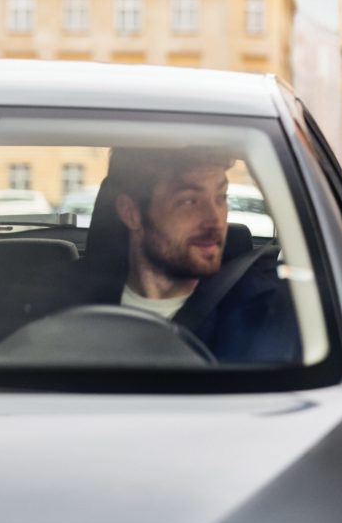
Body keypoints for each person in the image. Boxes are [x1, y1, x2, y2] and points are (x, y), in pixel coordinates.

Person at [105, 147, 300, 363]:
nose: (215, 220)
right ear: (130, 213)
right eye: (189, 201)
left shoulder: (267, 313)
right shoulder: (72, 303)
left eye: (221, 197)